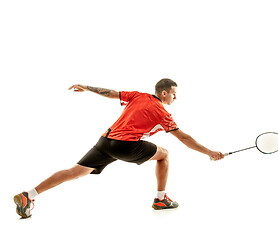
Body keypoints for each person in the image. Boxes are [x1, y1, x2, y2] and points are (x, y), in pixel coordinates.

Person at [13, 78, 224, 218]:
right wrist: (210, 152)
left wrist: (87, 88)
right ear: (164, 92)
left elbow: (112, 93)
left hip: (105, 141)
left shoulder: (139, 95)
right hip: (126, 146)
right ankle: (160, 200)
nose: (175, 97)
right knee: (165, 155)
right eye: (173, 93)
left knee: (73, 172)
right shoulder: (163, 113)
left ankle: (29, 195)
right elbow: (184, 137)